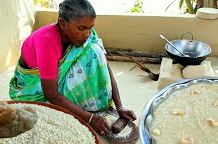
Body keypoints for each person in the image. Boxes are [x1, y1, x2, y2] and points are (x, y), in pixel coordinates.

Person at [9, 0, 136, 136]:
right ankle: (84, 110)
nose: (87, 34)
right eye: (81, 28)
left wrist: (120, 107)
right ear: (63, 23)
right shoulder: (47, 42)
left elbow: (103, 66)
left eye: (90, 27)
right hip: (35, 89)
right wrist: (90, 118)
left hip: (55, 81)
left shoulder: (86, 34)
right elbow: (51, 94)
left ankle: (85, 107)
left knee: (94, 50)